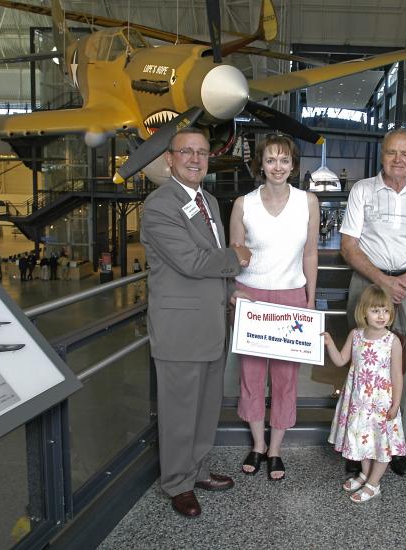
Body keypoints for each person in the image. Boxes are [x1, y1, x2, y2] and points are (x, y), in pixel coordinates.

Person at [141, 127, 251, 518]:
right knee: (179, 411)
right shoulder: (159, 205)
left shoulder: (208, 200)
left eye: (202, 152)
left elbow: (210, 264)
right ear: (169, 158)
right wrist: (236, 256)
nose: (194, 159)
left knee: (205, 407)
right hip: (179, 330)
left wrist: (229, 292)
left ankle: (199, 469)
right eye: (185, 152)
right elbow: (191, 262)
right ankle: (177, 483)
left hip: (211, 325)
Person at [340, 128, 406, 476]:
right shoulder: (363, 190)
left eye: (405, 154)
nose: (398, 159)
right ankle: (355, 446)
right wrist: (384, 281)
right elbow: (349, 247)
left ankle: (396, 447)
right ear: (382, 155)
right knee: (362, 363)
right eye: (391, 153)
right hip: (370, 282)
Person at [230, 133, 319, 481]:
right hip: (251, 296)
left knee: (286, 379)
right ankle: (258, 444)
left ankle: (277, 447)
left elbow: (310, 253)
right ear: (261, 165)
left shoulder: (307, 202)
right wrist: (232, 292)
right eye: (271, 160)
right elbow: (235, 254)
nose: (277, 167)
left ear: (293, 165)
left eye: (284, 160)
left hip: (291, 297)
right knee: (251, 376)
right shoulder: (243, 204)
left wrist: (311, 299)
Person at [325, 284, 406, 503]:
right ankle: (365, 473)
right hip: (358, 402)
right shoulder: (356, 335)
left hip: (381, 403)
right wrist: (330, 343)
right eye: (375, 310)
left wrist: (396, 403)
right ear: (363, 312)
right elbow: (341, 360)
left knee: (381, 443)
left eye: (385, 310)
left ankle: (374, 483)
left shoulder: (392, 341)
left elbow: (397, 375)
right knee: (363, 439)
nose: (381, 316)